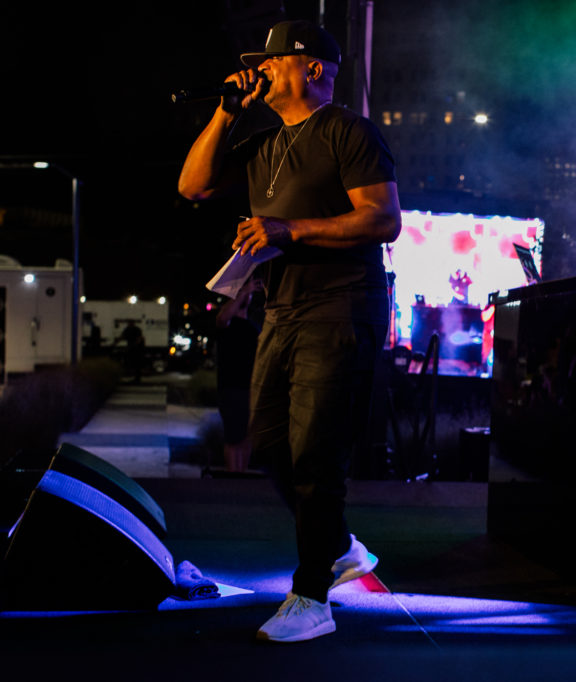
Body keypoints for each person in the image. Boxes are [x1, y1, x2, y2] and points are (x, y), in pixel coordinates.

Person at [178, 19, 401, 642]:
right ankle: (339, 545)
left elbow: (383, 220)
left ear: (312, 69)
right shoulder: (263, 142)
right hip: (281, 309)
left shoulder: (349, 132)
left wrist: (289, 230)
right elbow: (193, 185)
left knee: (315, 453)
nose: (262, 70)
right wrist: (227, 112)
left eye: (273, 60)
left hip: (341, 307)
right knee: (272, 444)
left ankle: (312, 598)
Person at [214, 275, 262, 473]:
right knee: (233, 436)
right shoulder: (227, 322)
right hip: (231, 388)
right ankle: (233, 476)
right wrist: (243, 291)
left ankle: (242, 475)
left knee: (247, 436)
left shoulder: (253, 326)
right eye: (242, 291)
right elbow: (222, 318)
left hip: (251, 388)